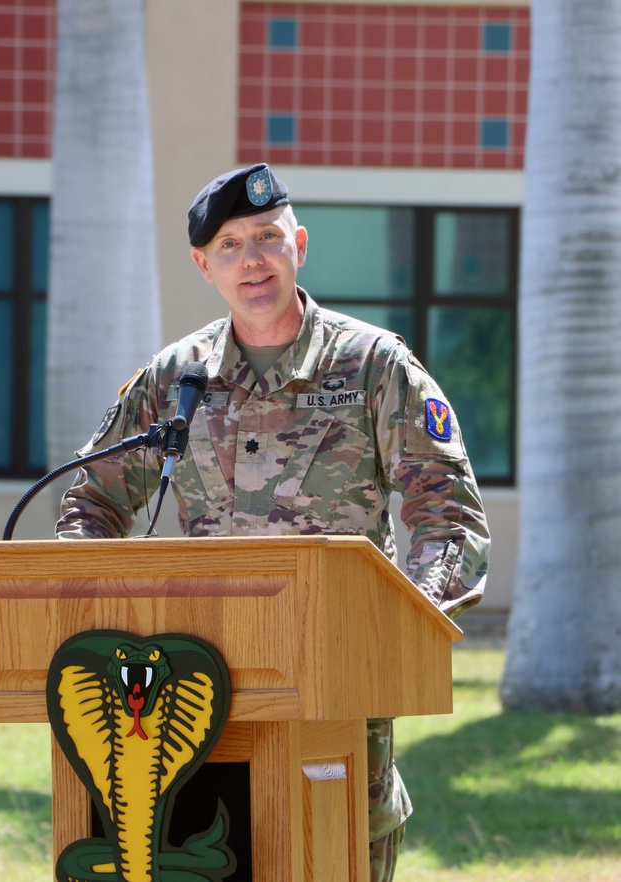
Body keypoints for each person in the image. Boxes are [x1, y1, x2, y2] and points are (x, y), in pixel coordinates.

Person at [55, 162, 490, 882]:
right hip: (195, 690)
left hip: (339, 690)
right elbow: (91, 503)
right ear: (203, 264)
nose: (251, 259)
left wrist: (406, 619)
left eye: (267, 236)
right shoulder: (175, 379)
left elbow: (448, 511)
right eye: (229, 245)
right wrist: (89, 619)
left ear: (300, 245)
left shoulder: (375, 367)